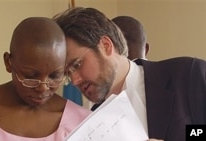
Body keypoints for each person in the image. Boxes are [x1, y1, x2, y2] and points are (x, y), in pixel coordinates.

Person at [53, 7, 206, 141]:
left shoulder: (188, 74)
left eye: (77, 64)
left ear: (106, 46)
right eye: (67, 74)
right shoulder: (90, 125)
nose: (74, 80)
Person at [0, 17, 91, 141]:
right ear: (8, 62)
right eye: (31, 76)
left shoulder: (84, 123)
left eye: (55, 76)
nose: (43, 87)